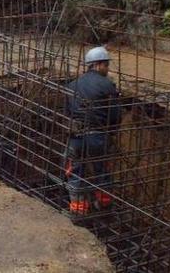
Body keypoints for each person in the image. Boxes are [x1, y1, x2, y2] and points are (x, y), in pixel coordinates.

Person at [64, 46, 122, 216]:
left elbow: (67, 113)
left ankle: (78, 211)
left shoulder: (72, 85)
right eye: (106, 65)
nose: (107, 69)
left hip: (76, 137)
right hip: (97, 137)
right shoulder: (107, 85)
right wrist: (110, 134)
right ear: (97, 65)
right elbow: (115, 115)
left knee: (75, 172)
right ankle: (104, 207)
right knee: (102, 170)